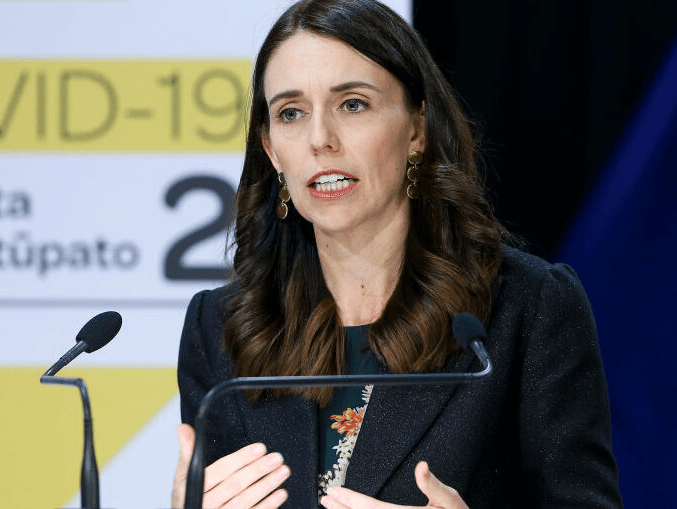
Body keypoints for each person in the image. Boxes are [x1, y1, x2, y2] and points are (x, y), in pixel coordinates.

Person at [172, 0, 622, 507]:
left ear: (416, 130)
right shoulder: (221, 328)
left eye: (353, 104)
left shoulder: (528, 308)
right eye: (291, 113)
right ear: (273, 151)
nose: (321, 139)